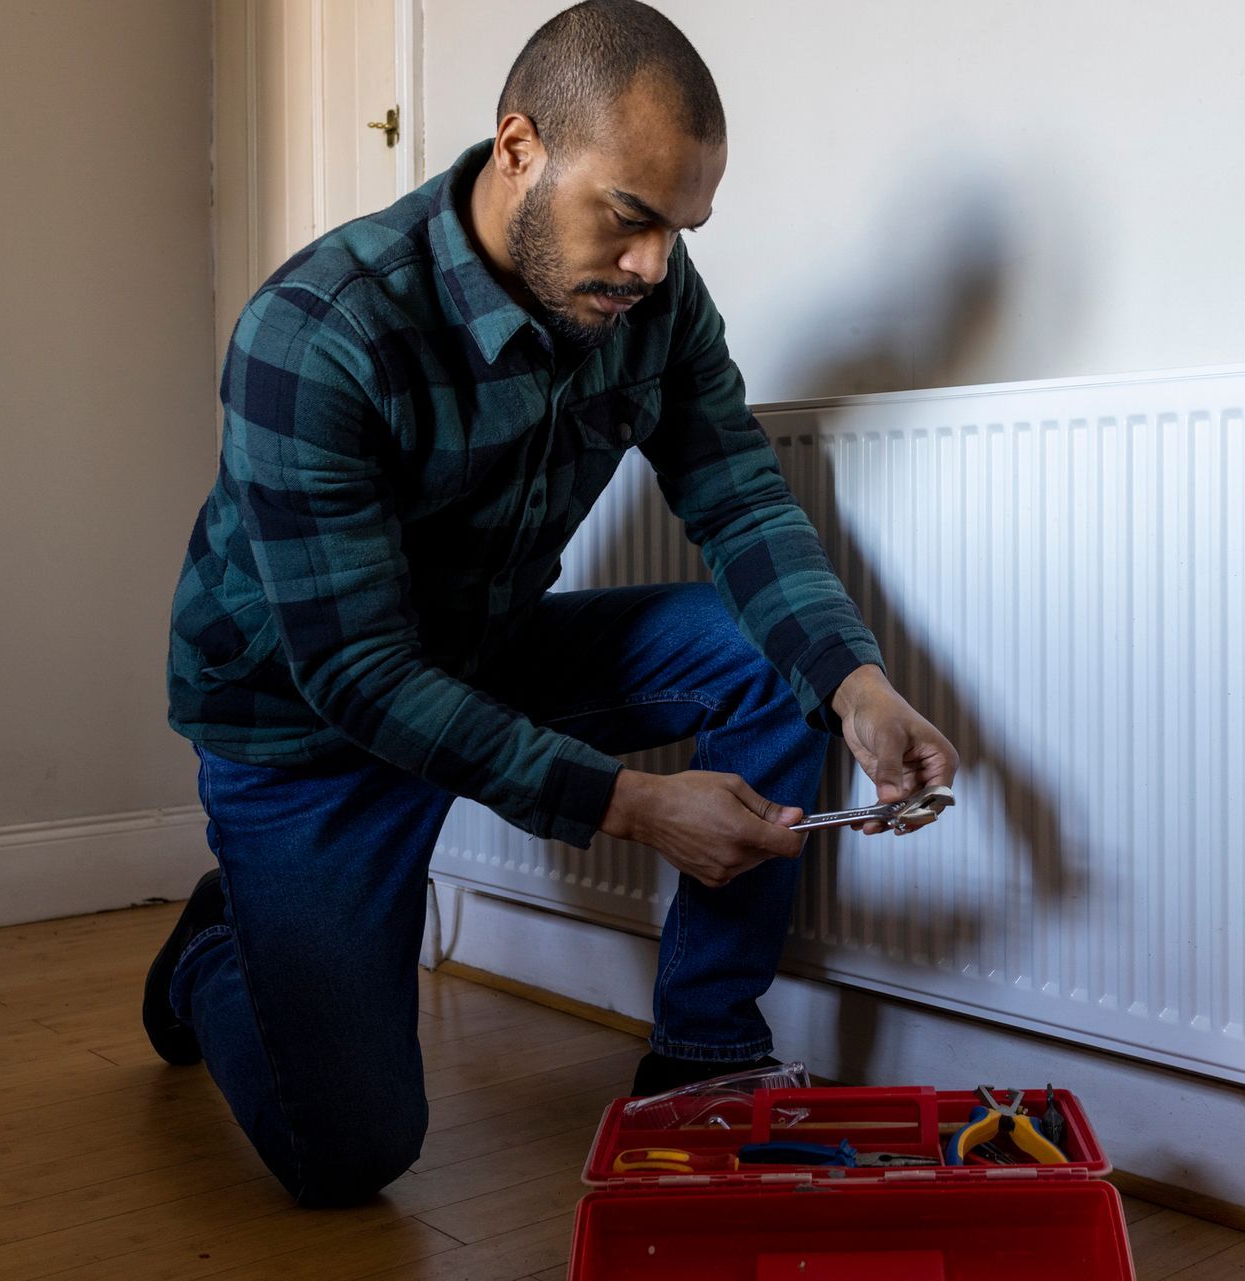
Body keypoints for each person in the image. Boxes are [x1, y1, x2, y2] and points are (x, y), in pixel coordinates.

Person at [145, 0, 958, 1207]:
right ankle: (220, 949)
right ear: (519, 148)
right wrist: (632, 804)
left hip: (483, 654)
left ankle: (703, 1052)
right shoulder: (317, 332)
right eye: (629, 220)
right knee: (348, 1156)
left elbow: (738, 499)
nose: (652, 266)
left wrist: (860, 685)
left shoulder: (655, 300)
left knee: (772, 659)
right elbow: (360, 674)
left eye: (680, 231)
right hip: (304, 729)